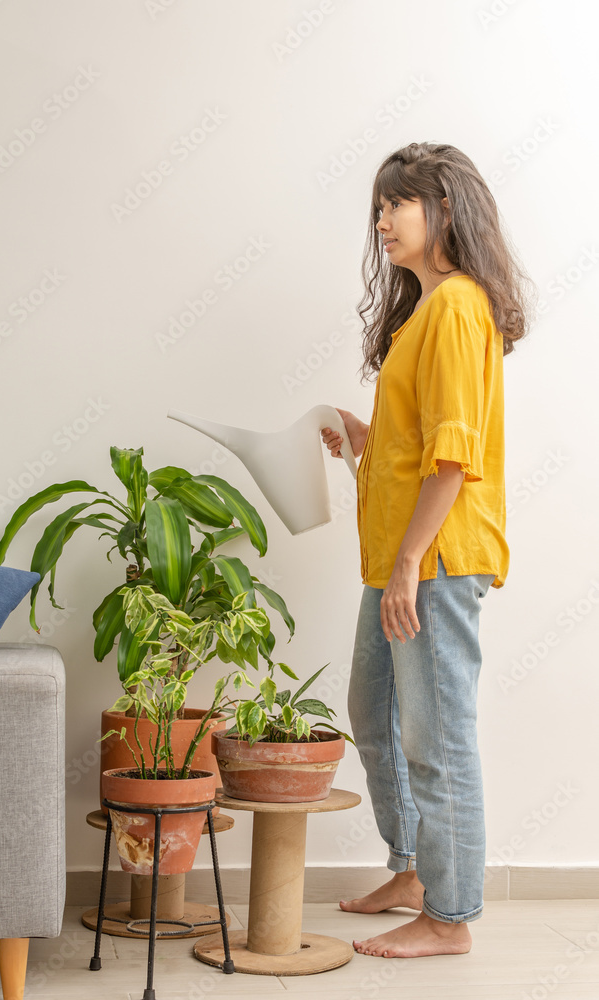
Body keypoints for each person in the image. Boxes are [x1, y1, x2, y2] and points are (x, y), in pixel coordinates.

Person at [320, 142, 535, 959]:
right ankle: (412, 871)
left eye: (396, 203)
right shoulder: (425, 311)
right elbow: (419, 445)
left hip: (434, 561)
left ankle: (448, 917)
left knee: (436, 739)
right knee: (372, 714)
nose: (381, 220)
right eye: (378, 206)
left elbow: (453, 457)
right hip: (399, 560)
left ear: (442, 209)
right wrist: (362, 437)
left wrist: (410, 563)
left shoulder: (455, 307)